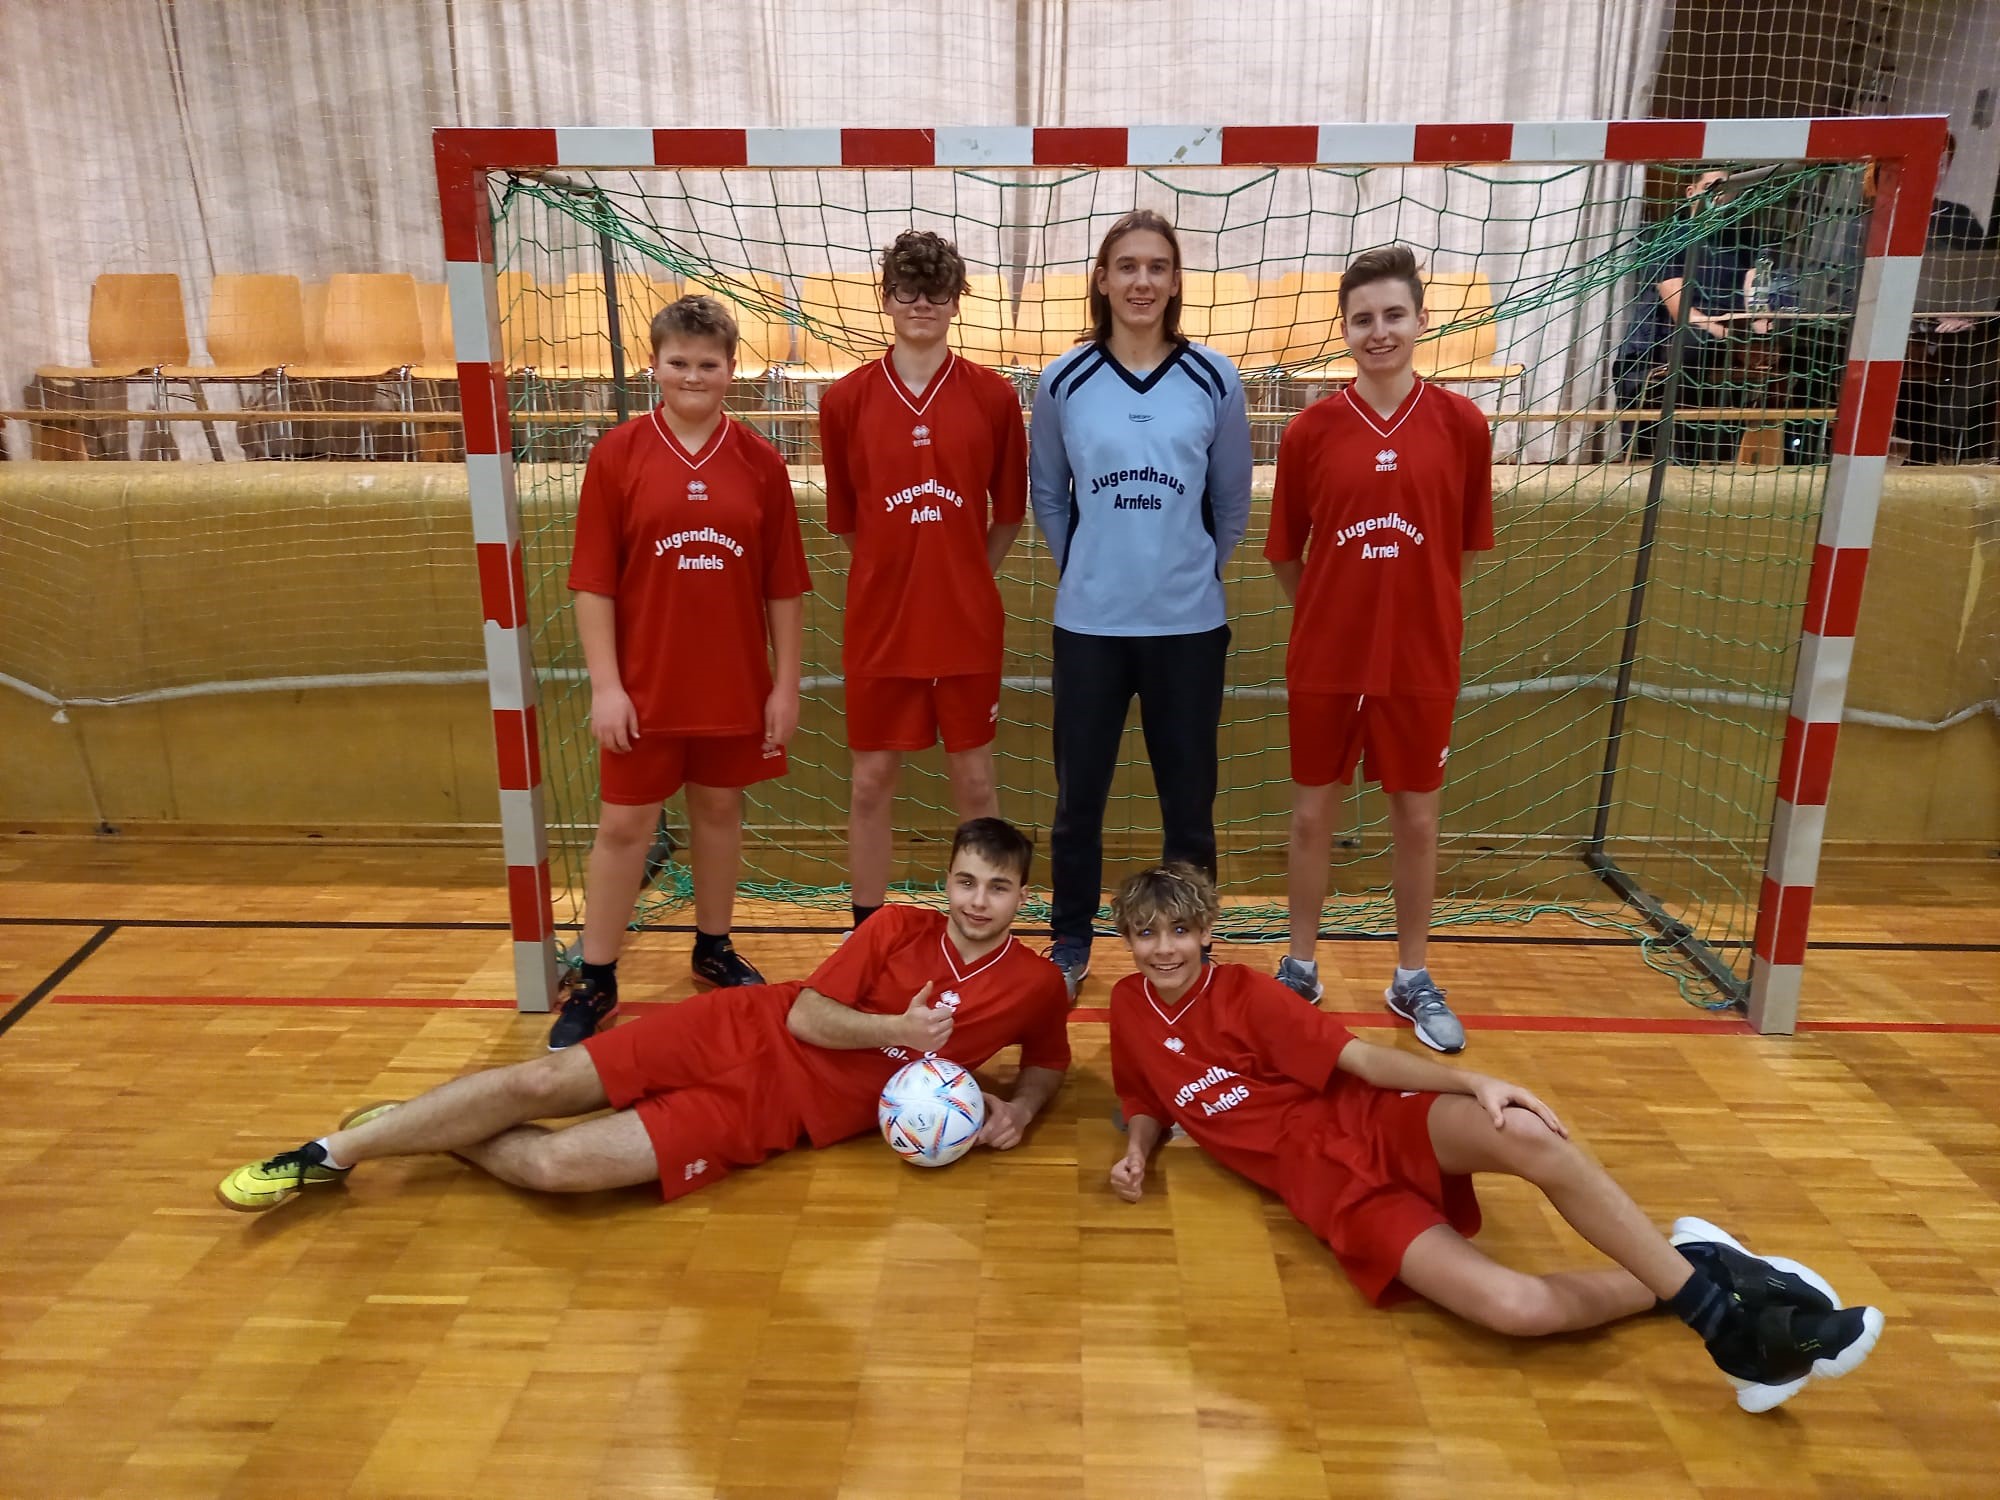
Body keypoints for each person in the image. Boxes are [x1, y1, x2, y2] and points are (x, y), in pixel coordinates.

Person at [1102, 864, 1884, 1414]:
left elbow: (1367, 1062)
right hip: (1333, 1190)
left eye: (1179, 929)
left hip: (1372, 1119)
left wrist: (1476, 1082)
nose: (1163, 947)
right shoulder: (1129, 1010)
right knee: (1513, 1308)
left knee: (1528, 1131)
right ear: (1127, 941)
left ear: (1208, 931)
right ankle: (1706, 1262)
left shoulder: (1246, 993)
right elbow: (1147, 1096)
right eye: (1145, 934)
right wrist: (1140, 1146)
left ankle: (1725, 1326)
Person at [216, 818, 1070, 1211]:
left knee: (557, 1174)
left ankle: (415, 1126)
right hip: (745, 1026)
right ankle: (329, 1153)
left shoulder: (1035, 984)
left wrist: (1022, 1109)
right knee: (546, 1079)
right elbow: (809, 1016)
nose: (979, 900)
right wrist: (896, 1033)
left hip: (772, 1111)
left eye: (999, 887)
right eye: (966, 881)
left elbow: (1050, 1058)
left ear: (1022, 897)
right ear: (947, 881)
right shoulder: (892, 927)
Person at [547, 294, 811, 1051]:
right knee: (624, 825)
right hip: (644, 687)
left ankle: (712, 946)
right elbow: (593, 582)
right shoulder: (619, 455)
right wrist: (607, 685)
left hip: (732, 683)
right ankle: (596, 976)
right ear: (653, 364)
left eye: (709, 364)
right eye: (679, 362)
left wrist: (784, 684)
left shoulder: (760, 462)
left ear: (733, 370)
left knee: (719, 813)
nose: (693, 375)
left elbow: (783, 587)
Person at [1263, 245, 1493, 1052]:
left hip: (1420, 658)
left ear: (1423, 321)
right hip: (1327, 657)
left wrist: (1411, 607)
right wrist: (1336, 612)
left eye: (1394, 315)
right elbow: (1289, 554)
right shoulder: (1310, 430)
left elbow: (1461, 549)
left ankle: (1411, 977)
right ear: (1345, 330)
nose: (1379, 331)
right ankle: (1300, 965)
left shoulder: (1463, 424)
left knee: (1417, 822)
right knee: (1310, 817)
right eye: (1363, 318)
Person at [1028, 210, 1254, 999]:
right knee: (1076, 799)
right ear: (1101, 279)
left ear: (1177, 280)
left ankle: (1191, 941)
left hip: (1188, 627)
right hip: (1090, 625)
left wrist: (1179, 573)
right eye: (1126, 266)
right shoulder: (1063, 381)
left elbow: (1231, 505)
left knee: (1189, 804)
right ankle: (1068, 937)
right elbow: (1049, 499)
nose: (1142, 282)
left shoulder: (1215, 379)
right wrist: (1096, 570)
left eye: (1158, 266)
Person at [819, 230, 1027, 932]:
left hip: (966, 624)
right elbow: (847, 522)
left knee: (974, 782)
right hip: (882, 626)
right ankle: (866, 928)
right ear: (885, 298)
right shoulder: (844, 400)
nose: (921, 305)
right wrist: (893, 573)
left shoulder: (993, 398)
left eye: (936, 292)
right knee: (872, 781)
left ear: (956, 302)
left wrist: (963, 575)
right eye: (907, 290)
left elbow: (1007, 517)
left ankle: (983, 925)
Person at [1611, 167, 1762, 464]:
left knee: (1798, 347)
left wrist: (1761, 330)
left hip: (1726, 341)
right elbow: (1680, 311)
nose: (1719, 196)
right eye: (1712, 187)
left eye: (1726, 189)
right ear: (1691, 193)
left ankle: (1797, 456)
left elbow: (1755, 291)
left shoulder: (1743, 242)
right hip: (1666, 344)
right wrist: (1729, 337)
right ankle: (1685, 459)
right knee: (1695, 345)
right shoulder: (1670, 236)